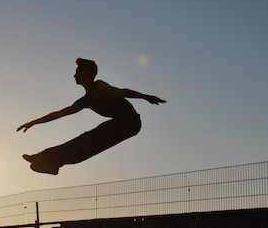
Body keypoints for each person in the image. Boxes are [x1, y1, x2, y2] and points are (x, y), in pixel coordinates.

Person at [17, 58, 166, 175]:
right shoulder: (85, 101)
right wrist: (33, 122)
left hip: (130, 122)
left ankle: (47, 158)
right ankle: (52, 163)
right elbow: (59, 113)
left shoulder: (99, 86)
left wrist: (147, 97)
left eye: (77, 71)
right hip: (120, 125)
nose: (74, 75)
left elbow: (122, 92)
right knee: (85, 142)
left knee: (89, 138)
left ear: (84, 72)